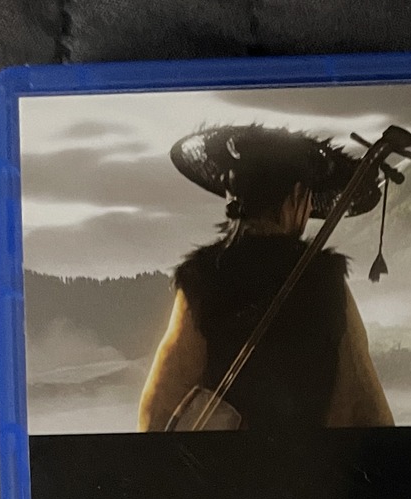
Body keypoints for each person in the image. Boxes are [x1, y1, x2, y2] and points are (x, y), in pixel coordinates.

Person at [138, 124, 394, 431]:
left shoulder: (203, 280)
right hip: (305, 459)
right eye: (307, 198)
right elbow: (364, 404)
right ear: (296, 197)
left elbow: (160, 407)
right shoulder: (322, 283)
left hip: (222, 462)